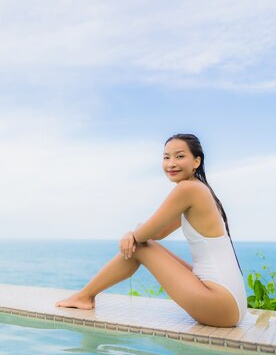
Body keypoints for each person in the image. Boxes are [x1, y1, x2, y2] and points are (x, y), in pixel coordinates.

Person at [56, 133, 247, 327]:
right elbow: (158, 233)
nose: (171, 163)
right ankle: (84, 295)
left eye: (180, 156)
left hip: (222, 305)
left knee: (139, 247)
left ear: (196, 161)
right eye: (166, 157)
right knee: (143, 243)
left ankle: (84, 296)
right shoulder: (201, 190)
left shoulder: (188, 189)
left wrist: (132, 234)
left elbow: (143, 236)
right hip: (231, 304)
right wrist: (135, 234)